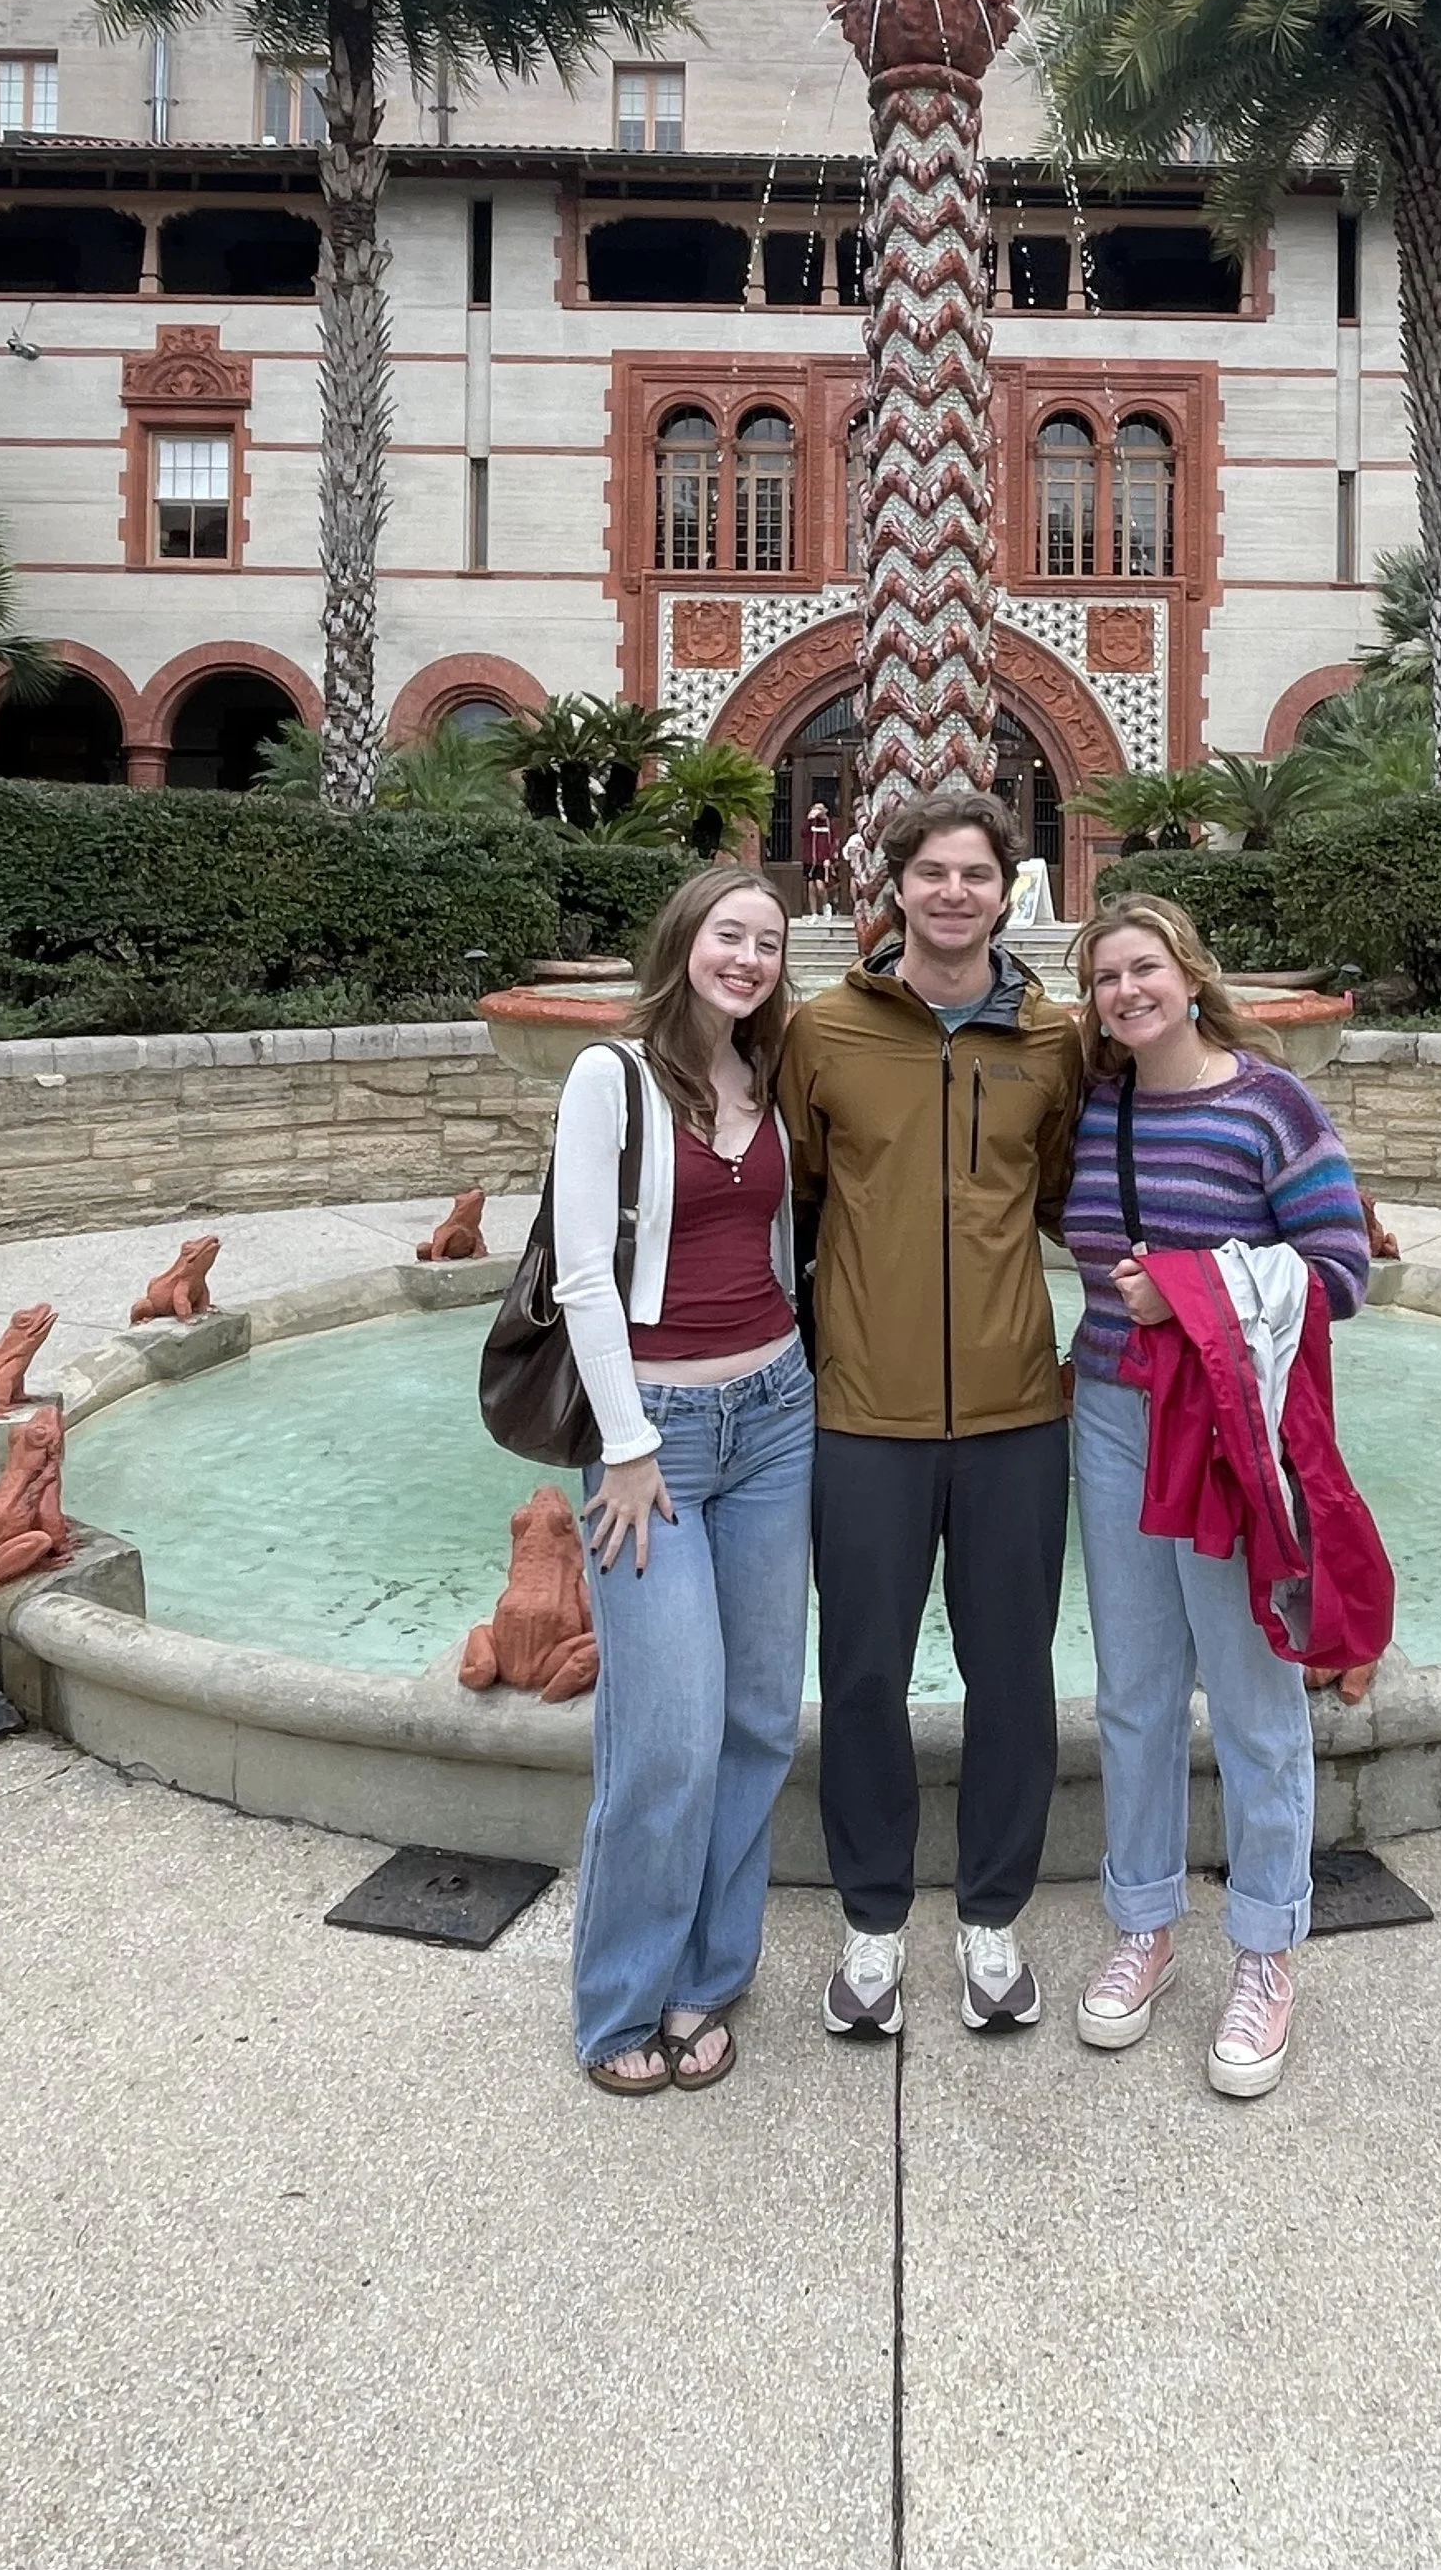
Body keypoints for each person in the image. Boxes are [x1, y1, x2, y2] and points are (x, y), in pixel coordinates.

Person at [780, 786, 1086, 2040]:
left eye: (976, 874)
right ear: (891, 885)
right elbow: (789, 1208)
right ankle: (868, 1926)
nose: (953, 893)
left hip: (1017, 1410)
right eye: (931, 874)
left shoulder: (1056, 1042)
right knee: (858, 1675)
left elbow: (1079, 1196)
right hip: (863, 1414)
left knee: (1011, 1675)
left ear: (1004, 887)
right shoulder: (821, 1032)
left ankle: (991, 1920)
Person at [1059, 894, 1374, 2100]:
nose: (1126, 992)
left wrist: (1184, 1289)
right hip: (1111, 1416)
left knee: (1250, 1698)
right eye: (1105, 980)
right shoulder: (1100, 1106)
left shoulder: (1269, 1105)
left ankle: (1264, 1950)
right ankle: (1142, 1924)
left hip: (1230, 1432)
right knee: (1133, 1691)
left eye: (1144, 969)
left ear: (1190, 975)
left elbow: (1342, 1271)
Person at [552, 863, 813, 2097]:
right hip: (651, 1439)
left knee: (758, 1718)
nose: (748, 958)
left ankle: (711, 1974)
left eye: (766, 942)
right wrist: (627, 1442)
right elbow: (581, 1277)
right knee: (663, 1732)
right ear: (684, 941)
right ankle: (619, 2002)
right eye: (729, 935)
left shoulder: (767, 1078)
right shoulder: (612, 1076)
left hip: (777, 1415)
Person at [803, 797, 835, 919]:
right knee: (811, 887)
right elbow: (803, 833)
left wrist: (830, 858)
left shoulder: (829, 823)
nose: (817, 811)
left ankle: (826, 905)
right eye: (815, 808)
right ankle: (814, 913)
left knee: (820, 887)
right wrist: (809, 820)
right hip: (810, 860)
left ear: (825, 810)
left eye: (820, 808)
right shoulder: (812, 822)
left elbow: (833, 842)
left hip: (823, 860)